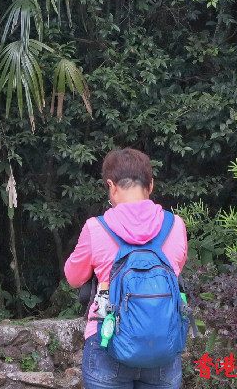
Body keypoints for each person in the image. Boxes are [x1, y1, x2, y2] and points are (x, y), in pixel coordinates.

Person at [64, 148, 188, 389]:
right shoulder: (175, 225)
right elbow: (176, 271)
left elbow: (73, 278)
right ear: (150, 185)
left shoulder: (96, 228)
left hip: (107, 342)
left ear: (111, 185)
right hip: (163, 347)